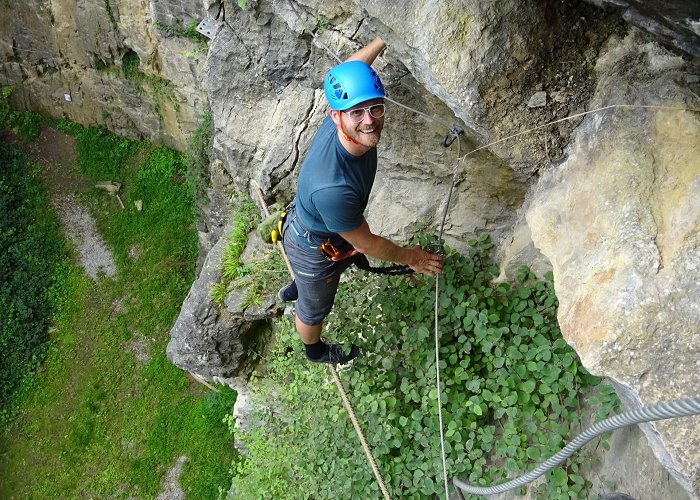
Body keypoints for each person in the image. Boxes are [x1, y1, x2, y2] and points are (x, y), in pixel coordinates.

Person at [279, 37, 443, 364]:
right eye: (357, 112)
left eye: (375, 107)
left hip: (311, 225)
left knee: (311, 282)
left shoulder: (341, 116)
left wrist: (384, 37)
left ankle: (298, 286)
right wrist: (412, 257)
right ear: (336, 116)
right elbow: (367, 243)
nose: (369, 120)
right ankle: (315, 349)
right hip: (314, 246)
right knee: (314, 309)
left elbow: (346, 74)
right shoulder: (334, 188)